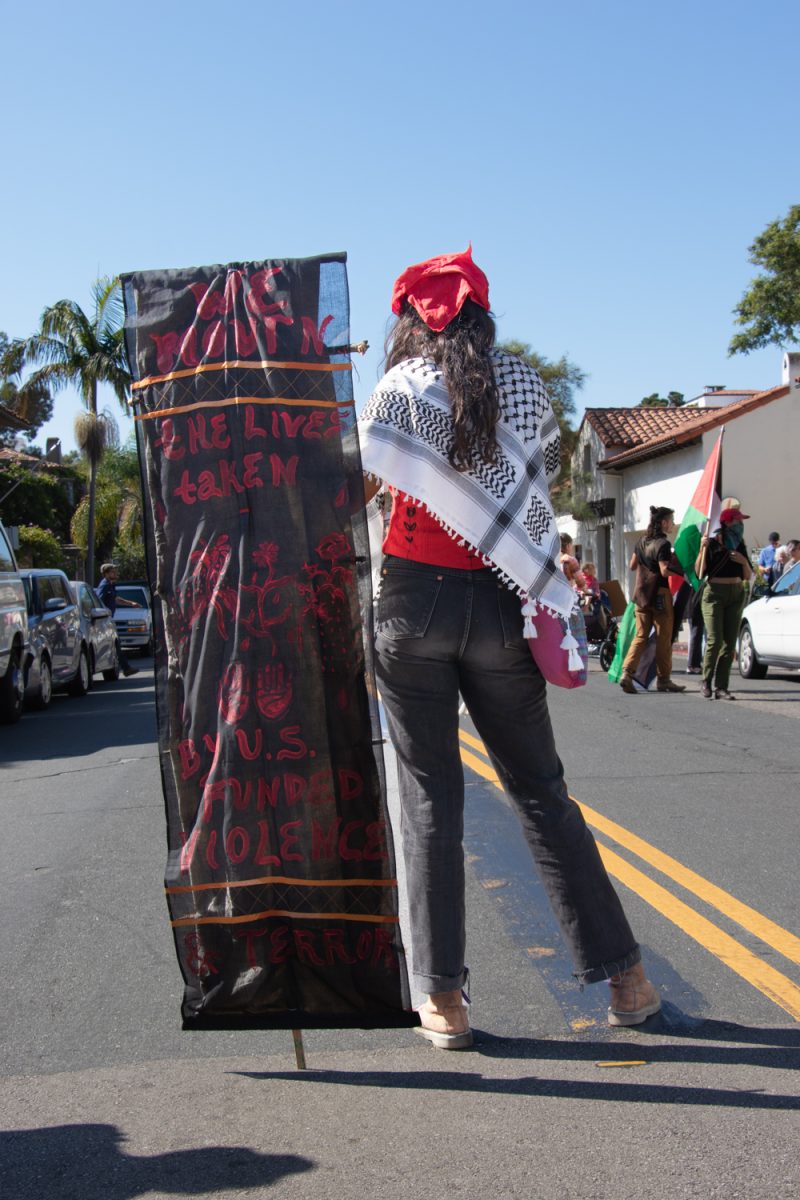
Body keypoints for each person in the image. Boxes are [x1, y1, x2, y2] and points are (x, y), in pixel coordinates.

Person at [357, 247, 660, 1049]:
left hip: (411, 606)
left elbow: (365, 483)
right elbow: (541, 480)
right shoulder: (523, 383)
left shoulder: (396, 389)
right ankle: (627, 980)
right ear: (482, 313)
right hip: (500, 604)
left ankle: (444, 1001)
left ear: (407, 319)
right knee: (540, 792)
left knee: (430, 798)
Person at [619, 507, 686, 695]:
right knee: (663, 639)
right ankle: (664, 680)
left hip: (640, 595)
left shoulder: (641, 541)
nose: (672, 524)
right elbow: (664, 571)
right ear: (663, 523)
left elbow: (632, 565)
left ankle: (626, 673)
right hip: (659, 595)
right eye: (671, 521)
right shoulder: (663, 543)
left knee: (640, 637)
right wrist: (681, 569)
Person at [696, 506, 752, 700]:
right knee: (715, 639)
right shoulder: (713, 543)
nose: (741, 524)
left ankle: (721, 687)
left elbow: (747, 576)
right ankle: (706, 680)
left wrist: (744, 561)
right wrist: (702, 549)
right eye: (738, 521)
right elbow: (700, 573)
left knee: (729, 643)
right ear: (727, 522)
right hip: (714, 594)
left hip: (736, 593)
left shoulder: (740, 544)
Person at [96, 563, 139, 678]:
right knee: (114, 644)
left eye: (115, 571)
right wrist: (104, 614)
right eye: (112, 572)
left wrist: (130, 603)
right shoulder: (104, 586)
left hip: (108, 619)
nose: (115, 573)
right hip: (104, 620)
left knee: (115, 644)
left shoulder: (111, 585)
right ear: (106, 574)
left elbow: (115, 599)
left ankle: (125, 668)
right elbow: (99, 602)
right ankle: (125, 668)